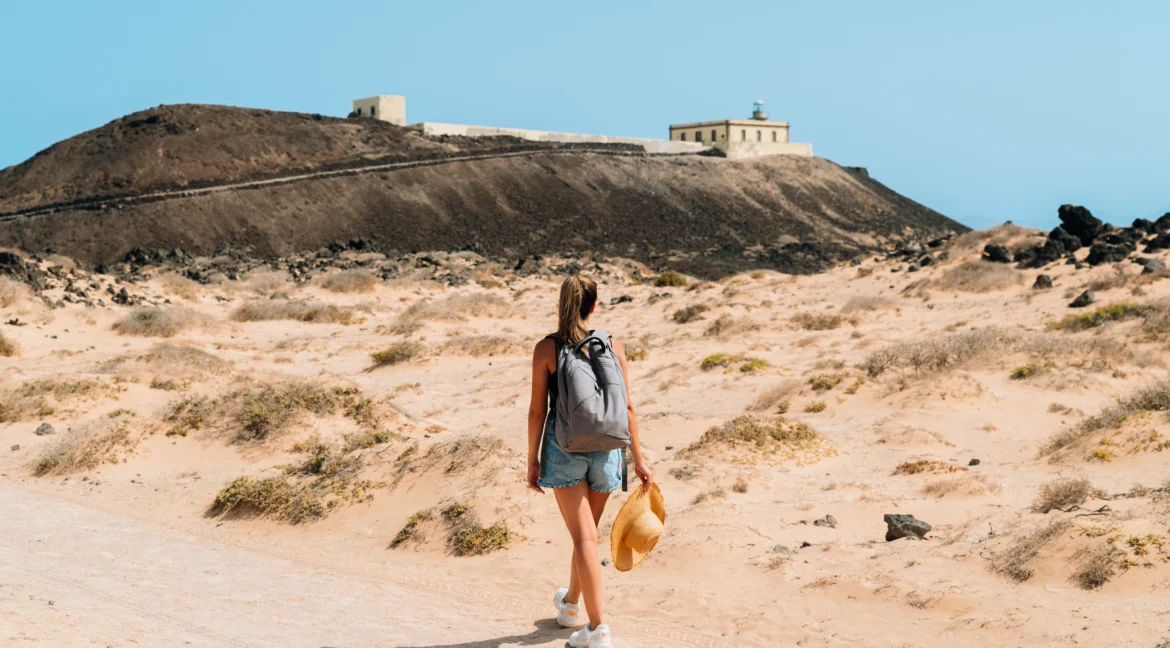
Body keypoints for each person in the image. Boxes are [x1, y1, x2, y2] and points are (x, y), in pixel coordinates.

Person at [526, 274, 652, 648]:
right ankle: (569, 607)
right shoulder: (612, 345)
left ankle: (597, 628)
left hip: (564, 449)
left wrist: (532, 461)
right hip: (609, 450)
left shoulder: (546, 349)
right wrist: (639, 460)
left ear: (561, 303)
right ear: (594, 305)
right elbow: (627, 406)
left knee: (584, 540)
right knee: (587, 539)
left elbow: (537, 411)